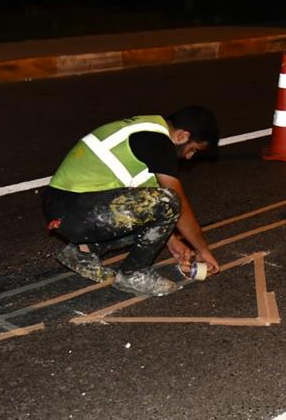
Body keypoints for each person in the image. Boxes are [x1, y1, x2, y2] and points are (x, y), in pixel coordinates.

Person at [42, 106, 222, 298]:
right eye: (193, 149)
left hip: (72, 209)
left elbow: (143, 209)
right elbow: (176, 204)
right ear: (181, 136)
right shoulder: (158, 142)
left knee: (157, 202)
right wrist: (202, 250)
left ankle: (82, 253)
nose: (189, 156)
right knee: (169, 201)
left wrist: (173, 241)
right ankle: (133, 274)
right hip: (75, 209)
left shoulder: (148, 133)